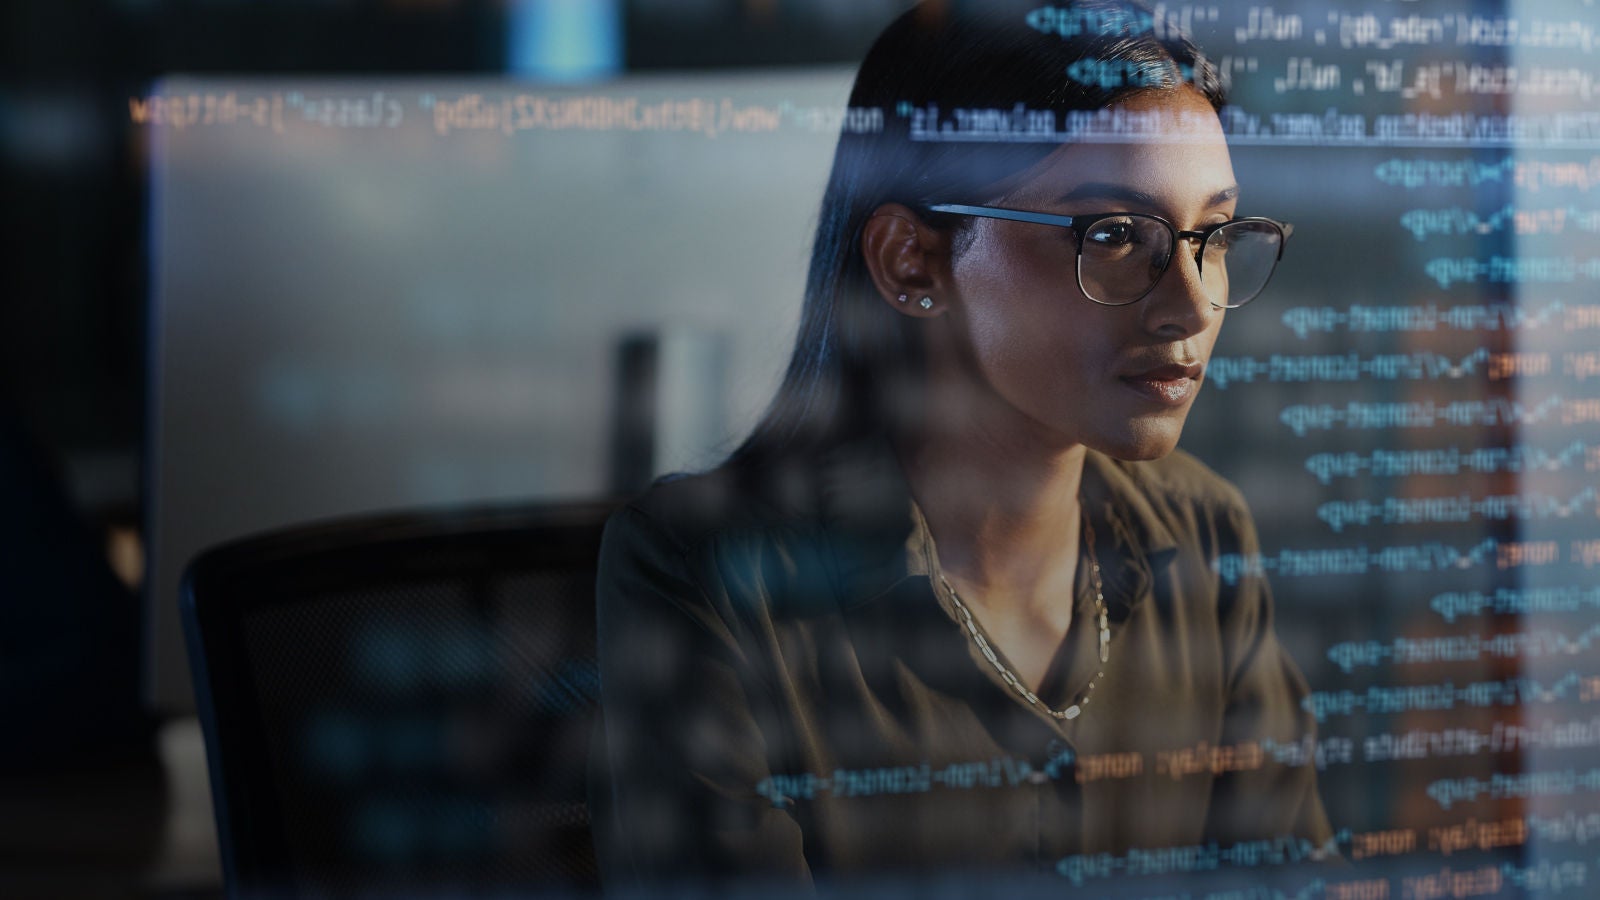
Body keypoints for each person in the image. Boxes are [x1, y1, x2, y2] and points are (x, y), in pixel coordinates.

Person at [589, 0, 1332, 892]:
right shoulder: (709, 574)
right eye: (1114, 236)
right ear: (912, 262)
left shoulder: (1205, 536)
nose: (1192, 305)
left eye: (1210, 237)